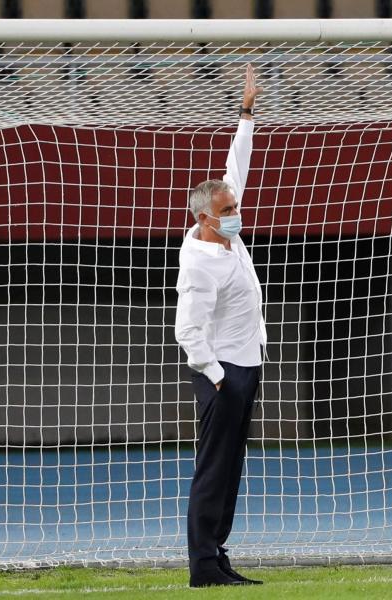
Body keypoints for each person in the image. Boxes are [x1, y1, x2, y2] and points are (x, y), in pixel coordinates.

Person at [174, 64, 265, 588]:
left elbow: (239, 162)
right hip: (221, 372)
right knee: (214, 466)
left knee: (232, 467)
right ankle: (202, 565)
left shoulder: (224, 230)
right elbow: (188, 330)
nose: (237, 212)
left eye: (234, 205)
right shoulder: (199, 262)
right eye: (228, 209)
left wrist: (246, 111)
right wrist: (215, 375)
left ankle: (218, 552)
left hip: (247, 359)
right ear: (206, 218)